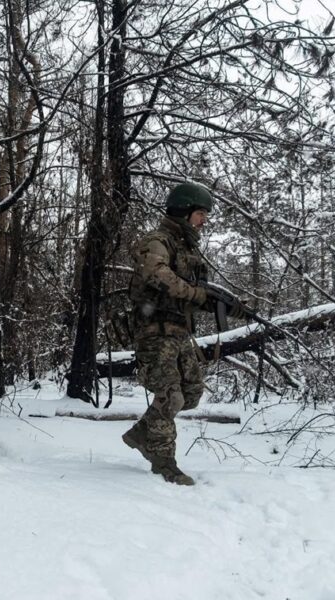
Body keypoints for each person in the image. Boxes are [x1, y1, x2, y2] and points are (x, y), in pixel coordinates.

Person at [122, 182, 236, 485]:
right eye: (201, 213)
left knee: (192, 393)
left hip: (178, 333)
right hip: (155, 332)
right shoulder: (157, 241)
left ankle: (142, 433)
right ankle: (163, 462)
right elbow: (157, 274)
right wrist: (196, 295)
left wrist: (220, 304)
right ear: (184, 212)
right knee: (170, 395)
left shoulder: (188, 248)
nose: (204, 220)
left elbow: (191, 291)